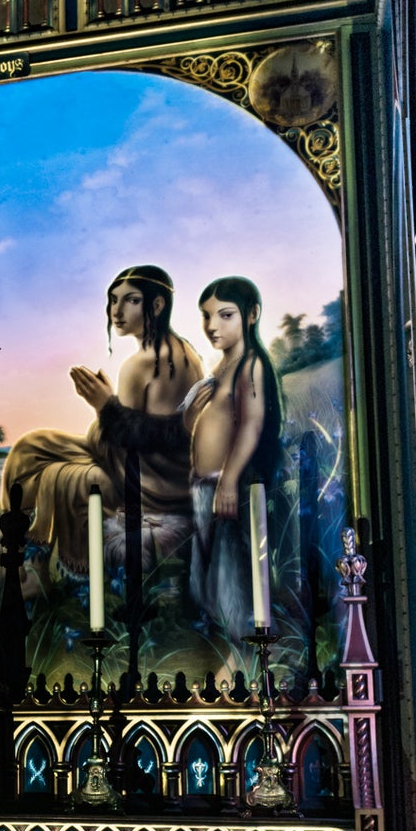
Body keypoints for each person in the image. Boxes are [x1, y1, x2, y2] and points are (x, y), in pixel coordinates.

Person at [93, 274, 284, 644]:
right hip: (202, 488)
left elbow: (251, 425)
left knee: (231, 575)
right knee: (204, 577)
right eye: (206, 316)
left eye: (225, 315)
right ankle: (221, 641)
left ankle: (244, 649)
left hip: (228, 487)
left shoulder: (251, 365)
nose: (212, 326)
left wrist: (229, 480)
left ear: (252, 315)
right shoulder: (221, 367)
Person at [4, 265, 202, 575]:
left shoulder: (151, 361)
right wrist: (106, 410)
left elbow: (153, 441)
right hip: (126, 459)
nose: (117, 311)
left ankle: (31, 567)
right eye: (113, 300)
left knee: (60, 474)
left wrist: (104, 406)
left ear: (158, 305)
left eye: (131, 300)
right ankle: (18, 553)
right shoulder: (165, 353)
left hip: (149, 482)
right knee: (31, 447)